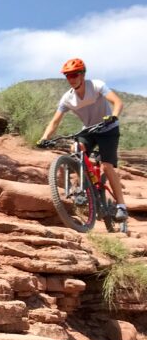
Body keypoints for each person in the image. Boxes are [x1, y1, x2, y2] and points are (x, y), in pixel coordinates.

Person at [38, 58, 128, 221]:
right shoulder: (67, 98)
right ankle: (83, 188)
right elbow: (55, 121)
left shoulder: (96, 86)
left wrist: (113, 116)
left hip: (108, 128)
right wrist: (44, 138)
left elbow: (118, 102)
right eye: (68, 76)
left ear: (82, 74)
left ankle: (121, 206)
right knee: (76, 149)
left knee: (107, 167)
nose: (71, 79)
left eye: (74, 75)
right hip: (88, 129)